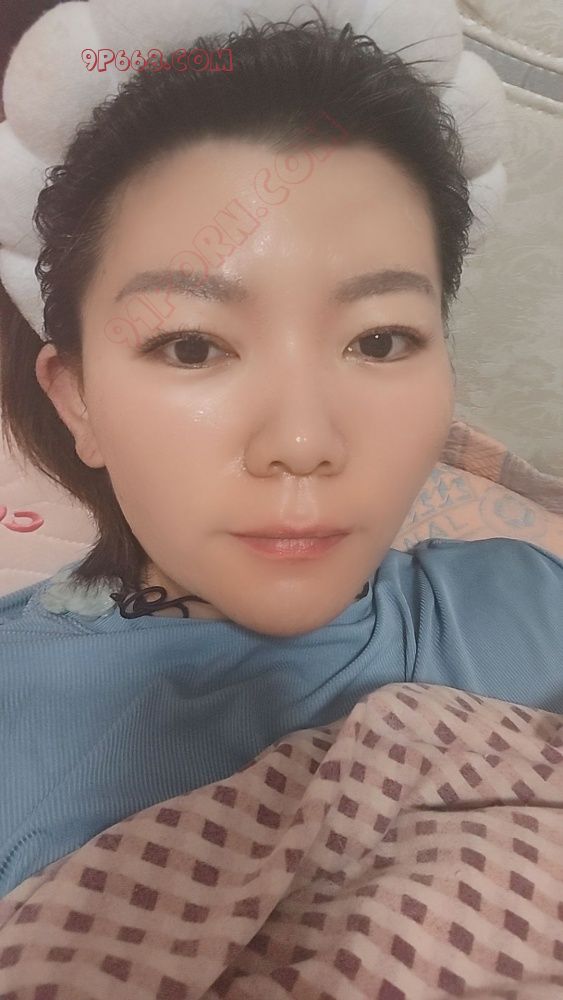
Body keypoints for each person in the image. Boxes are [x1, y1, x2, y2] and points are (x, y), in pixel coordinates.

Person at [0, 14, 561, 899]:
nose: (301, 444)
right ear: (76, 399)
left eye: (379, 340)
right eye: (191, 346)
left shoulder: (529, 604)